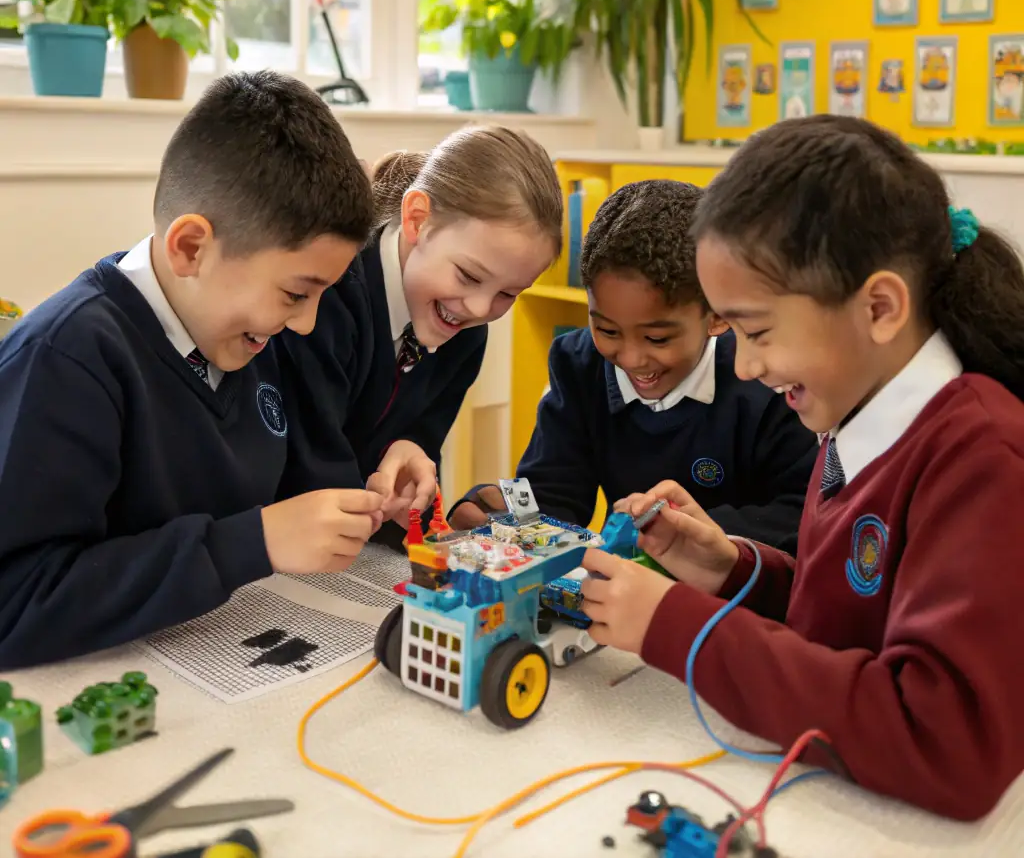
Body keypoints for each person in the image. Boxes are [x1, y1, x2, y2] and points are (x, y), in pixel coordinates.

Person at [580, 116, 1024, 821]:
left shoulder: (983, 456)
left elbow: (949, 744)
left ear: (878, 307)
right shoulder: (853, 408)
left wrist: (681, 626)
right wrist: (732, 568)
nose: (748, 366)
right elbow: (844, 619)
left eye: (756, 331)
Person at [0, 72, 383, 669]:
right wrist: (248, 544)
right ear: (190, 248)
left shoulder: (248, 336)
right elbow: (15, 602)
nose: (306, 324)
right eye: (295, 293)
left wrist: (381, 478)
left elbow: (289, 493)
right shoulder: (67, 357)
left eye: (321, 297)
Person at [450, 181, 816, 552]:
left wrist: (690, 532)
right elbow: (556, 496)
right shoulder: (578, 366)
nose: (630, 359)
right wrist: (499, 511)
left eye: (657, 339)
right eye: (606, 329)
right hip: (631, 586)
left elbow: (803, 512)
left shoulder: (767, 380)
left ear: (717, 316)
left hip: (737, 589)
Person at [275, 126, 562, 537]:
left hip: (354, 546)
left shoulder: (465, 332)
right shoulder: (330, 294)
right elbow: (309, 467)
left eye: (508, 293)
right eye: (467, 275)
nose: (480, 308)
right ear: (417, 220)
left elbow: (422, 453)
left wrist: (415, 492)